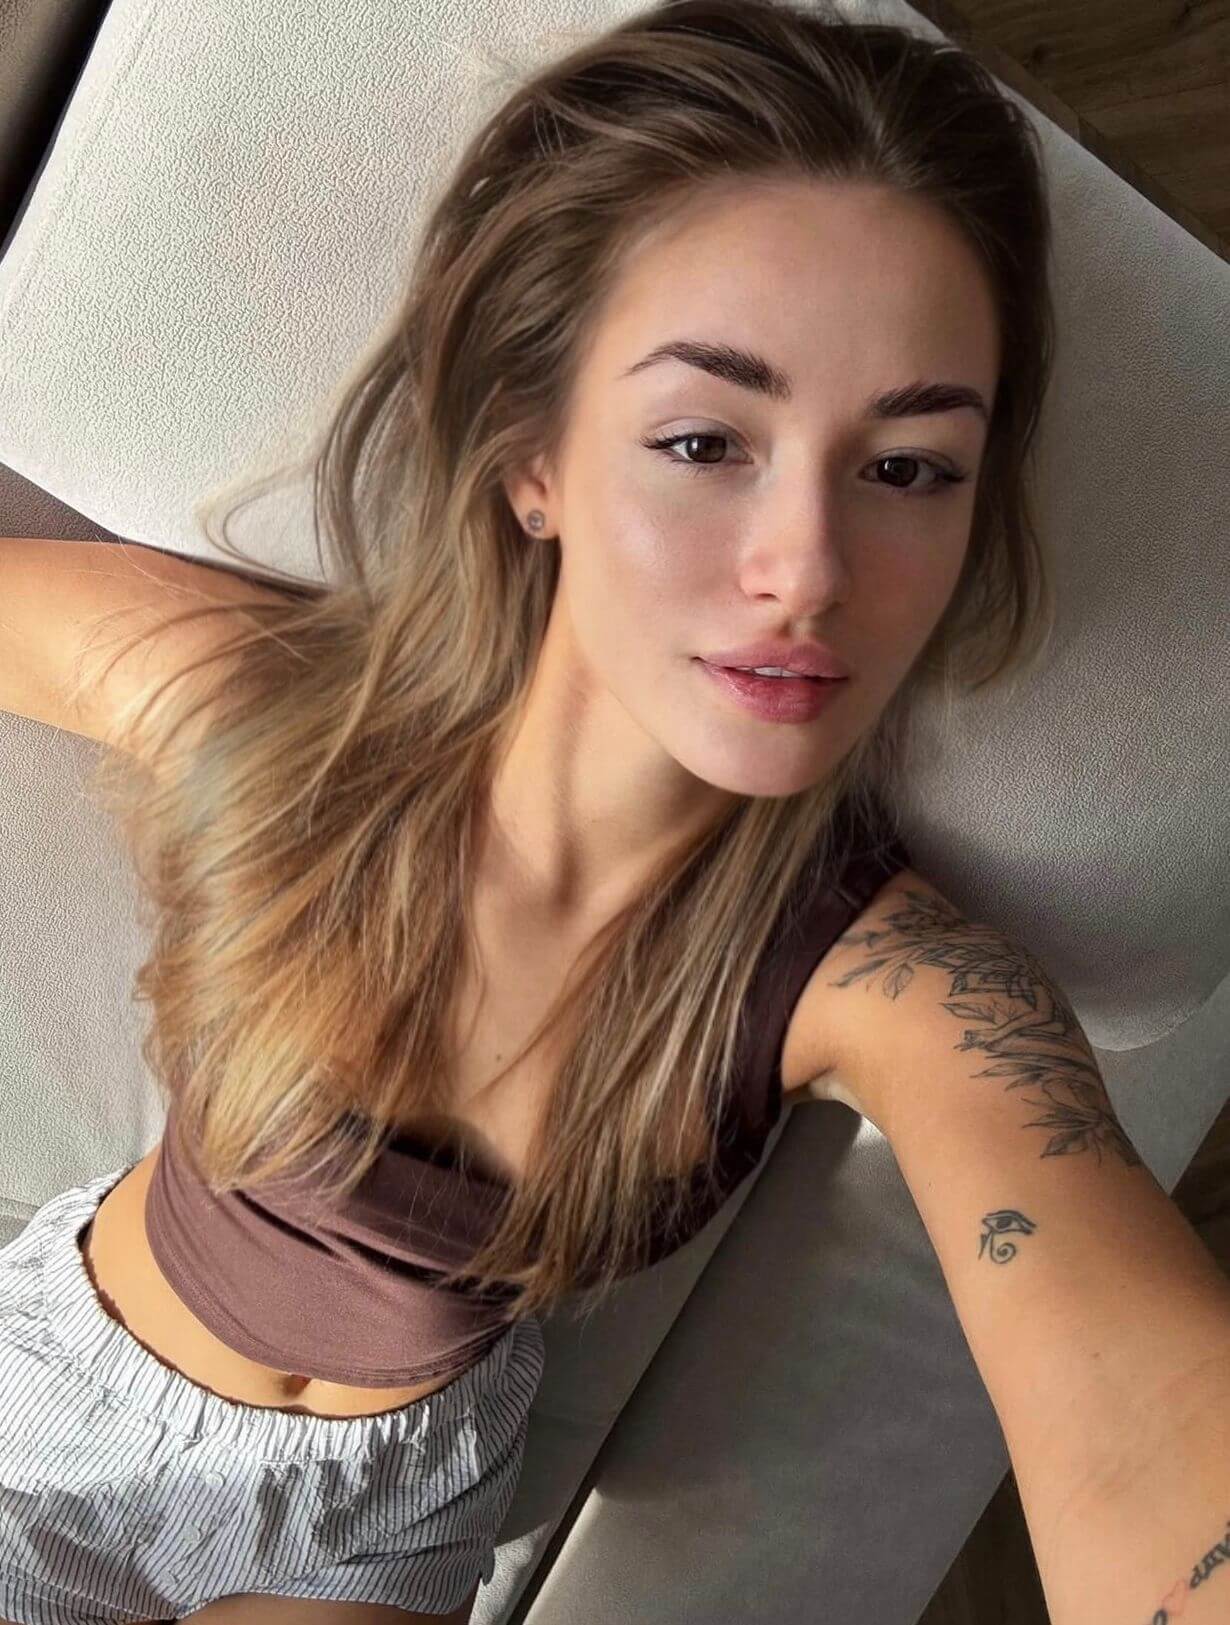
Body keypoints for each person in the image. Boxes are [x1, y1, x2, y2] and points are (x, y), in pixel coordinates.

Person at [5, 3, 1224, 1622]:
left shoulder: (906, 988)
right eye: (706, 440)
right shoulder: (271, 718)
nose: (809, 568)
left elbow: (1140, 1413)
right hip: (70, 1426)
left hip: (402, 1509)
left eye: (909, 467)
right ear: (533, 458)